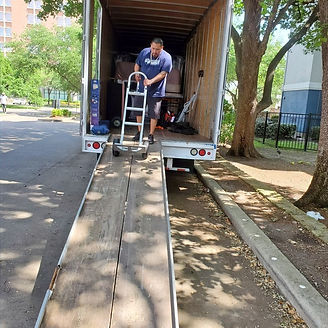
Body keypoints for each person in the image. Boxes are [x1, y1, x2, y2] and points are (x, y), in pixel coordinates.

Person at [133, 37, 172, 144]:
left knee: (154, 113)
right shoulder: (144, 52)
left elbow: (163, 74)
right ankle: (139, 132)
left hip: (156, 91)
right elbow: (137, 64)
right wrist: (136, 73)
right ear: (150, 45)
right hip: (141, 88)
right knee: (138, 110)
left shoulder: (167, 57)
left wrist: (151, 81)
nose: (154, 51)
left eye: (157, 49)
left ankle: (151, 135)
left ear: (162, 48)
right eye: (153, 48)